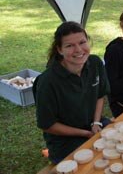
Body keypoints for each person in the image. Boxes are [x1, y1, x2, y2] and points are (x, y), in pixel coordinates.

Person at [33, 21, 110, 164]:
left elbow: (100, 95)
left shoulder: (95, 63)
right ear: (59, 50)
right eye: (69, 45)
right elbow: (47, 124)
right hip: (65, 142)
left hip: (93, 126)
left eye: (82, 42)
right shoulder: (47, 82)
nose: (79, 50)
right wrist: (86, 133)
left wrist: (96, 122)